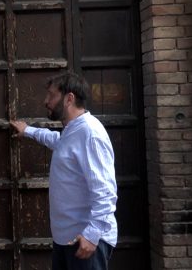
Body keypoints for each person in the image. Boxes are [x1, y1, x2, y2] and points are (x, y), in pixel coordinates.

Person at [10, 72, 117, 270]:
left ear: (69, 99)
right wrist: (28, 131)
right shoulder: (73, 130)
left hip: (85, 240)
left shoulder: (90, 133)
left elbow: (106, 192)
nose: (46, 101)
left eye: (51, 95)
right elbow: (58, 142)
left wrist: (92, 236)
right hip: (67, 239)